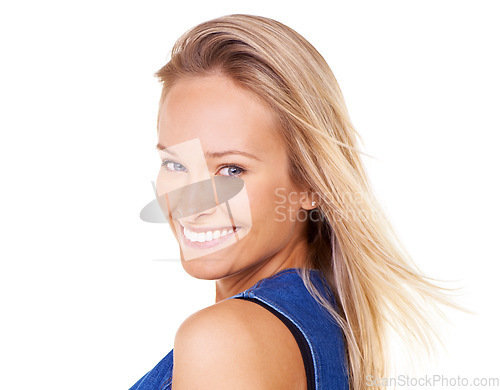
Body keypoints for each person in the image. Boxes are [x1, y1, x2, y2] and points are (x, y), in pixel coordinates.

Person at [130, 14, 458, 390]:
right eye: (175, 163)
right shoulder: (322, 321)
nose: (191, 203)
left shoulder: (224, 339)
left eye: (231, 170)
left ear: (310, 185)